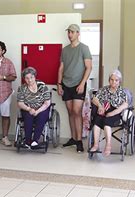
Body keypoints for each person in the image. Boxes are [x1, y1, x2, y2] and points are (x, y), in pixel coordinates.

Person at [57, 24, 92, 152]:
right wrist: (59, 84)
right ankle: (73, 138)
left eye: (72, 32)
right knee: (70, 112)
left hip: (79, 84)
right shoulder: (65, 50)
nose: (70, 34)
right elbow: (61, 68)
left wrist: (82, 83)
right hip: (66, 84)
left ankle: (79, 140)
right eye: (69, 32)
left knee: (77, 111)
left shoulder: (84, 48)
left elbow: (89, 67)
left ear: (78, 33)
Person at [89, 70, 129, 156]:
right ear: (109, 80)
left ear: (119, 81)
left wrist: (113, 113)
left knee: (107, 123)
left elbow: (125, 105)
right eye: (111, 79)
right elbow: (94, 99)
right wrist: (100, 106)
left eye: (116, 80)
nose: (113, 82)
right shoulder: (104, 89)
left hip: (116, 113)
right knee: (96, 122)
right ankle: (95, 145)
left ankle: (108, 146)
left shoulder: (122, 92)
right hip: (104, 110)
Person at [16, 67, 51, 149]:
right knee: (28, 117)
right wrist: (29, 109)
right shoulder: (22, 88)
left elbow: (47, 103)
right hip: (28, 108)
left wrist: (37, 111)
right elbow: (20, 103)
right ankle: (27, 141)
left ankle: (35, 141)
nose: (29, 80)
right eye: (27, 78)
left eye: (31, 77)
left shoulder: (42, 87)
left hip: (42, 108)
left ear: (35, 77)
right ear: (24, 79)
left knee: (41, 117)